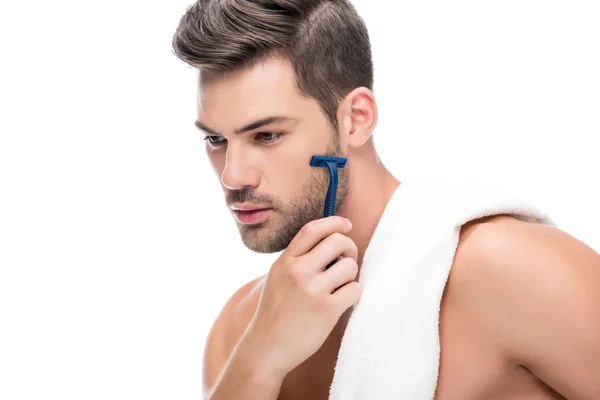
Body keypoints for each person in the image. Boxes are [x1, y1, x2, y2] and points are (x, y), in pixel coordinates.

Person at [171, 1, 600, 399]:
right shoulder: (240, 330)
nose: (232, 176)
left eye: (267, 135)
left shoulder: (512, 270)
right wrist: (260, 358)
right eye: (215, 139)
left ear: (356, 119)